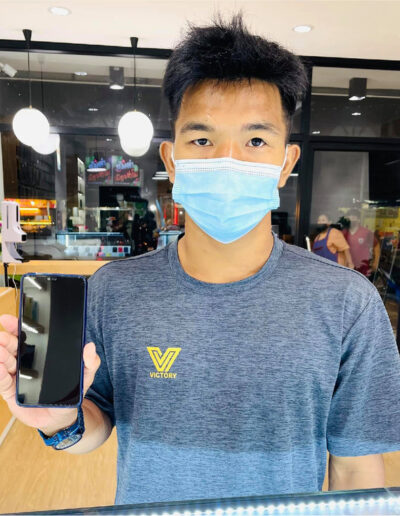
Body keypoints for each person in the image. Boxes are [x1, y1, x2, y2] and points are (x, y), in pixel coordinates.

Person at [1, 14, 400, 506]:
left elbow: (357, 469)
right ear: (172, 161)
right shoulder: (115, 291)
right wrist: (59, 422)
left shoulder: (348, 304)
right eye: (203, 139)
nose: (228, 159)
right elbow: (98, 419)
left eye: (256, 140)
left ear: (286, 163)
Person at [342, 208, 380, 278]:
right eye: (349, 217)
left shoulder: (366, 232)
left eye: (354, 217)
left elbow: (376, 246)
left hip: (362, 268)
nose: (351, 219)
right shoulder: (343, 233)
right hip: (347, 267)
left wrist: (375, 263)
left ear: (358, 219)